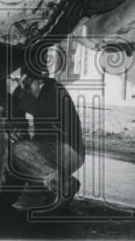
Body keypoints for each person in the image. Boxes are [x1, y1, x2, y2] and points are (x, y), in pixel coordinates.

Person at [7, 67, 85, 210]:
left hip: (67, 151)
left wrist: (17, 92)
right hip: (58, 148)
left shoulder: (55, 91)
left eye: (26, 85)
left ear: (37, 82)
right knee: (24, 150)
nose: (26, 90)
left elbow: (41, 111)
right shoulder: (48, 90)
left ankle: (64, 185)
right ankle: (39, 196)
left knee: (21, 150)